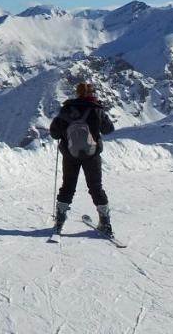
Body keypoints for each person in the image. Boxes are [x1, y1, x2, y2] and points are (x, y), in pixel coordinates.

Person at [50, 81, 116, 236]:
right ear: (91, 93)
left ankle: (60, 220)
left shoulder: (66, 109)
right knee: (95, 187)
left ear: (77, 92)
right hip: (92, 154)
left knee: (68, 186)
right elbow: (109, 129)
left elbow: (54, 133)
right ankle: (105, 222)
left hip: (70, 154)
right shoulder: (96, 109)